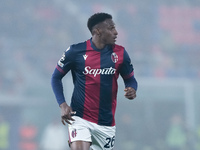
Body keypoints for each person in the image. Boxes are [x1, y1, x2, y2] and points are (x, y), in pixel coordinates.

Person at [51, 12, 138, 150]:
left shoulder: (120, 53)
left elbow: (130, 80)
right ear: (97, 31)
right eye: (111, 28)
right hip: (79, 117)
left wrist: (132, 89)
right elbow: (55, 77)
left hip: (106, 123)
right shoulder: (75, 51)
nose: (115, 32)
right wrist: (62, 105)